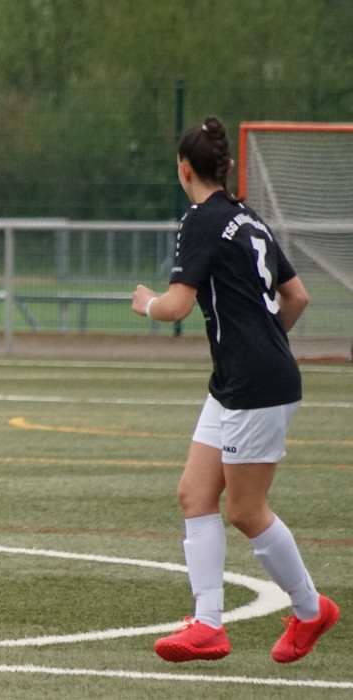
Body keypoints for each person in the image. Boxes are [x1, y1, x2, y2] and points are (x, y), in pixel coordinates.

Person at [132, 116, 339, 664]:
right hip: (238, 381)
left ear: (184, 170)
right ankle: (207, 625)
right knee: (194, 494)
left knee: (247, 510)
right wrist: (263, 346)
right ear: (223, 167)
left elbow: (176, 306)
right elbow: (297, 297)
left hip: (254, 385)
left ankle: (311, 609)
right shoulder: (248, 218)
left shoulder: (200, 219)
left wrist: (147, 304)